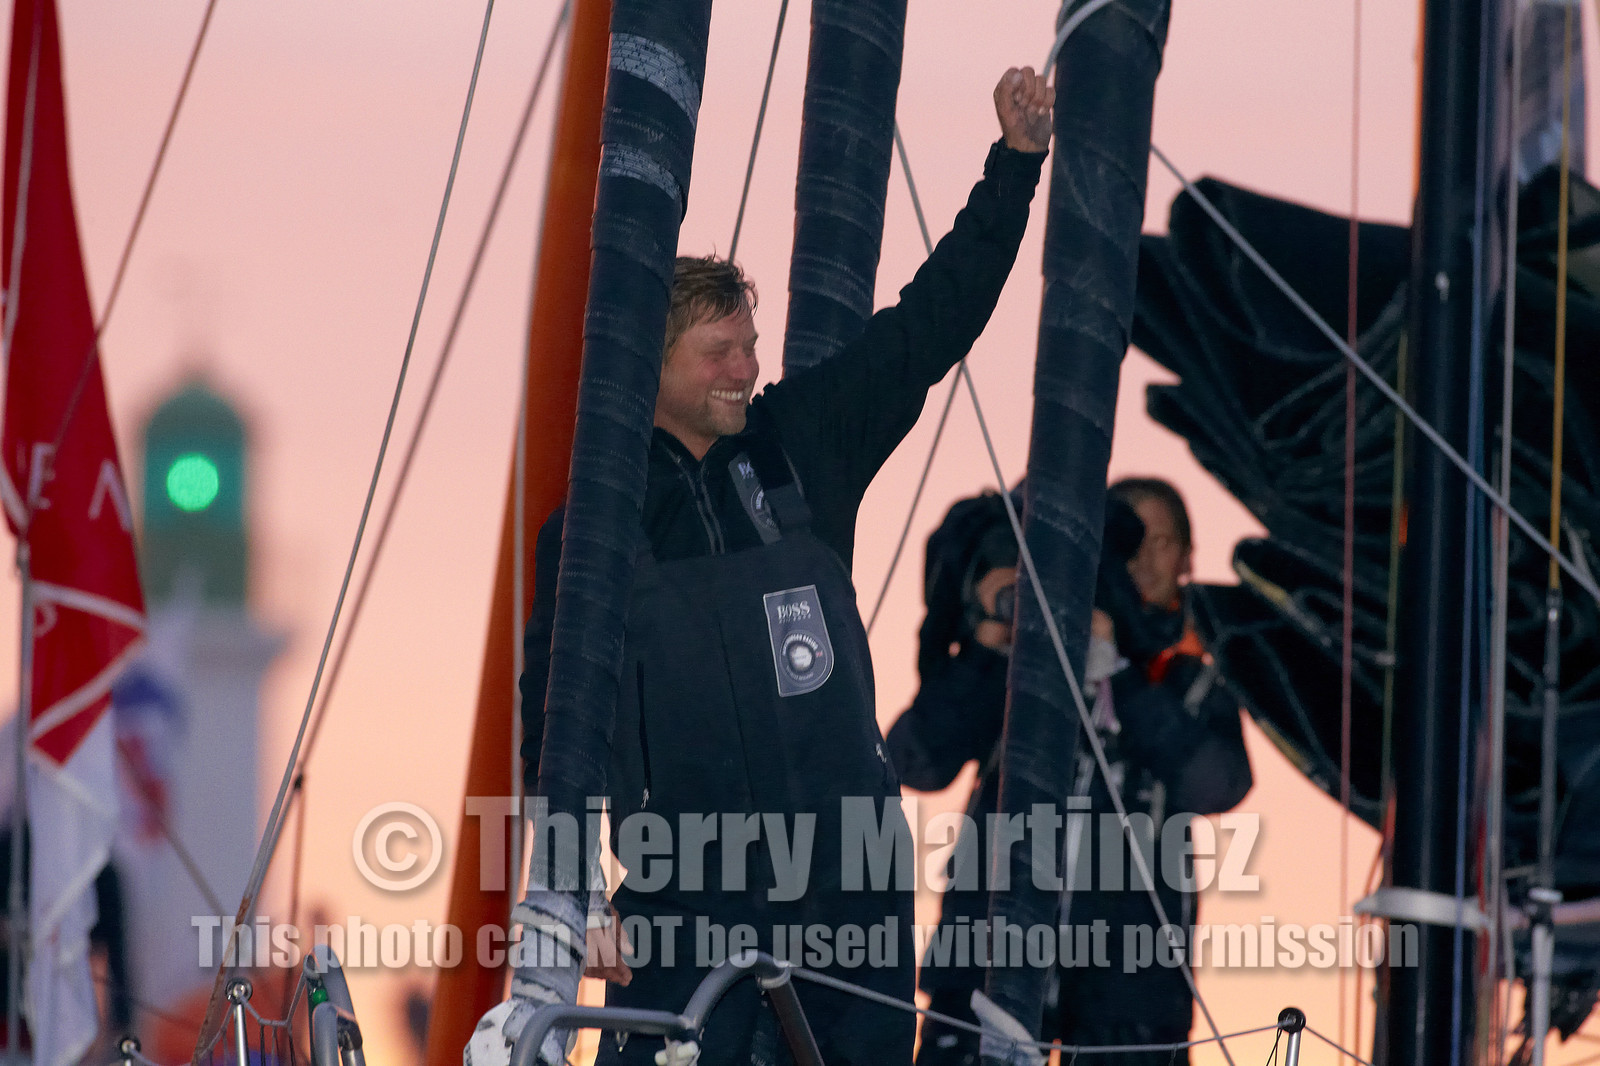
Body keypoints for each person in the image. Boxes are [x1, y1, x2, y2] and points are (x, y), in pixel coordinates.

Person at [518, 69, 1054, 1066]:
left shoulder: (803, 438)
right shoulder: (593, 525)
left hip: (847, 874)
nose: (746, 368)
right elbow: (547, 715)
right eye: (720, 350)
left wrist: (1013, 168)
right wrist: (567, 891)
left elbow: (927, 327)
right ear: (650, 366)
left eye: (750, 345)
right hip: (683, 887)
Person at [889, 477, 1253, 1066]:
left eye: (1160, 541)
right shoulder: (1029, 654)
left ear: (1188, 558)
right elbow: (913, 760)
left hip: (1131, 981)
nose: (1139, 557)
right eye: (1125, 541)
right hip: (986, 955)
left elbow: (1218, 783)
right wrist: (988, 649)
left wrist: (1121, 674)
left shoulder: (1193, 671)